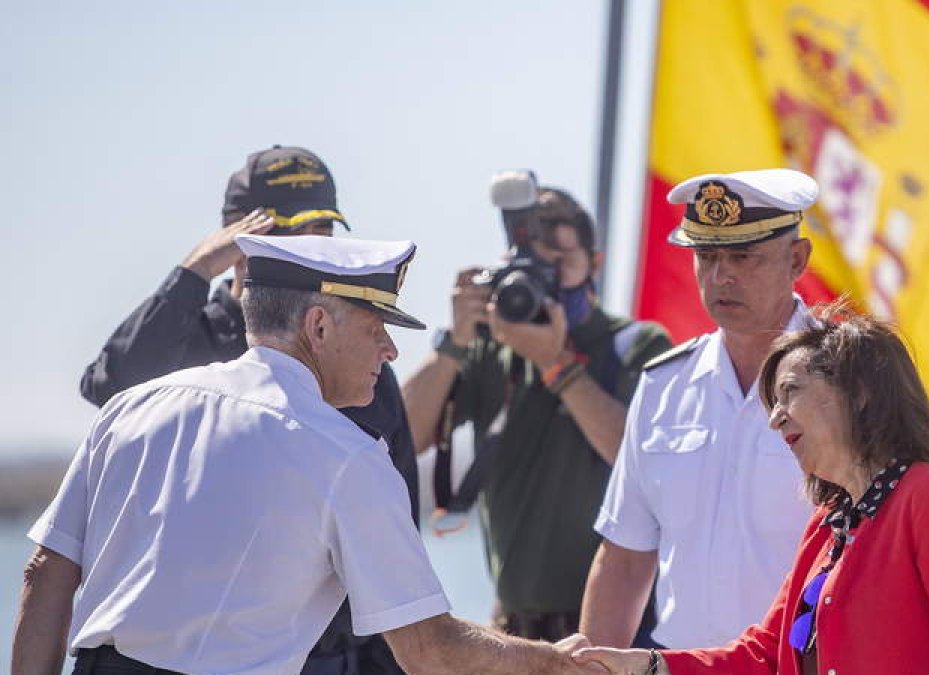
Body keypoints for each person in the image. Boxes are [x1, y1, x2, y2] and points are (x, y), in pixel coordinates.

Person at [14, 234, 602, 675]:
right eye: (377, 326)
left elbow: (45, 574)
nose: (391, 349)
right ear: (318, 326)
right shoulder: (344, 456)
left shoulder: (132, 409)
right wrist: (554, 662)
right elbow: (428, 648)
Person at [76, 146, 419, 673]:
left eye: (323, 232)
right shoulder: (191, 339)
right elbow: (112, 386)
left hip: (331, 659)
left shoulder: (359, 365)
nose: (311, 248)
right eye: (289, 233)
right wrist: (194, 271)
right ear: (238, 239)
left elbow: (396, 539)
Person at [572, 302, 929, 674]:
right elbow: (764, 654)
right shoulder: (827, 523)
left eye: (790, 392)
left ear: (860, 392)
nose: (775, 417)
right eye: (773, 403)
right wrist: (648, 665)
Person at [401, 180, 672, 642]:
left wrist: (555, 364)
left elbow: (642, 460)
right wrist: (454, 344)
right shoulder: (495, 348)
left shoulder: (637, 345)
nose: (544, 275)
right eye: (532, 262)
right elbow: (403, 436)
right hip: (512, 633)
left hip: (616, 636)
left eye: (559, 261)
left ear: (595, 263)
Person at [580, 169, 819, 650]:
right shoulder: (662, 386)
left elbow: (887, 553)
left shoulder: (852, 384)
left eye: (743, 256)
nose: (720, 276)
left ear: (797, 259)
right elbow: (625, 558)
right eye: (706, 256)